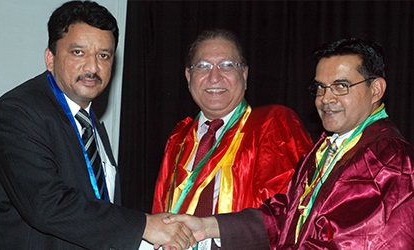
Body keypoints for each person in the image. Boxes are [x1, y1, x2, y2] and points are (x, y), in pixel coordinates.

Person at [165, 38, 414, 249]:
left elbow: (349, 241)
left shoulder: (388, 159)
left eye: (341, 86)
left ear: (376, 90)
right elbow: (285, 215)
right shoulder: (327, 148)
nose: (326, 99)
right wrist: (208, 226)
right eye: (320, 88)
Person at [0, 1, 195, 249]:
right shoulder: (18, 111)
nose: (93, 67)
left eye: (103, 55)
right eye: (78, 52)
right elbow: (46, 205)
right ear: (50, 58)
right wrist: (144, 227)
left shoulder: (91, 123)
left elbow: (97, 208)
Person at [152, 29, 312, 249]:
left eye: (227, 65)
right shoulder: (179, 137)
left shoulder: (272, 124)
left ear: (244, 75)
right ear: (189, 77)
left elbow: (288, 213)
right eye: (203, 66)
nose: (214, 77)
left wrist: (211, 227)